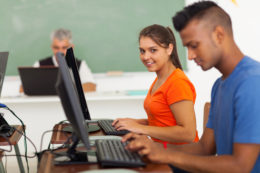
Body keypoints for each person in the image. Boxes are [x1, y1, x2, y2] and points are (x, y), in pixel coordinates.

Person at [123, 1, 260, 173]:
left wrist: (167, 155)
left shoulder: (252, 82)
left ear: (218, 35)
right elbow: (204, 148)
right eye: (187, 47)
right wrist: (151, 149)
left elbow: (240, 166)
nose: (190, 56)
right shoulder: (219, 86)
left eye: (194, 45)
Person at [112, 24, 199, 145]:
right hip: (164, 151)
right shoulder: (161, 79)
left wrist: (141, 129)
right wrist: (135, 123)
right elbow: (163, 122)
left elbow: (188, 134)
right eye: (142, 51)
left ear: (169, 49)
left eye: (153, 50)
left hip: (183, 157)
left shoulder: (177, 83)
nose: (146, 57)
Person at [33, 28, 96, 92]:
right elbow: (23, 88)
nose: (60, 52)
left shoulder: (79, 64)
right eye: (56, 48)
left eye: (64, 47)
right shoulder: (39, 65)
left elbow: (91, 86)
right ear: (52, 47)